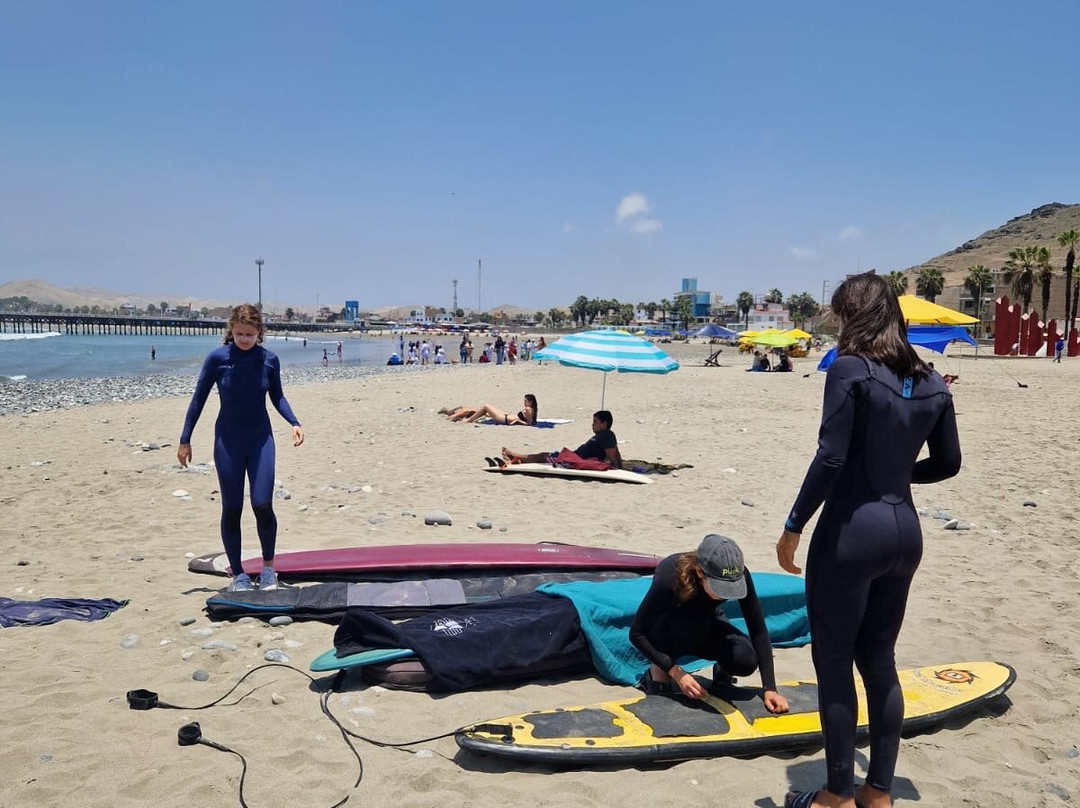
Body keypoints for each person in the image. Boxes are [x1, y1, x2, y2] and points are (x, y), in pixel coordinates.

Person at [775, 272, 961, 808]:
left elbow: (831, 457)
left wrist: (793, 525)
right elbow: (948, 464)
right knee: (879, 658)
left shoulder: (851, 369)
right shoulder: (932, 381)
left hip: (853, 531)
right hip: (906, 532)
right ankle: (877, 792)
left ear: (851, 314)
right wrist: (897, 477)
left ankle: (836, 795)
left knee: (833, 660)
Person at [177, 304, 305, 593]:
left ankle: (269, 570)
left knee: (262, 504)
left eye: (250, 334)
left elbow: (278, 397)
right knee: (232, 508)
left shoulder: (269, 360)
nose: (244, 340)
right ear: (230, 331)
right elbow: (198, 400)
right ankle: (239, 575)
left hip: (261, 441)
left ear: (260, 331)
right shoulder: (217, 358)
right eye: (239, 334)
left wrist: (294, 421)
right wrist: (185, 439)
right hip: (228, 442)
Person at [629, 535, 790, 713]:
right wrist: (676, 672)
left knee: (746, 660)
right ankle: (656, 673)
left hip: (706, 622)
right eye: (720, 588)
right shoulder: (669, 575)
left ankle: (722, 670)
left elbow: (758, 629)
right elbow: (637, 634)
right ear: (700, 573)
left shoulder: (738, 574)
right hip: (670, 630)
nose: (726, 594)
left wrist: (770, 689)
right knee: (682, 635)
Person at [501, 410, 621, 468]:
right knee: (547, 455)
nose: (592, 424)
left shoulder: (607, 435)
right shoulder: (605, 435)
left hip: (573, 461)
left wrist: (618, 469)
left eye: (595, 422)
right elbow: (616, 452)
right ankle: (519, 459)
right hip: (573, 456)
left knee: (544, 456)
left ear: (604, 424)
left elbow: (613, 456)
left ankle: (515, 455)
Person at [448, 394, 538, 425]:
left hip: (505, 420)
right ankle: (464, 414)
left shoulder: (528, 409)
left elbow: (529, 424)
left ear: (530, 402)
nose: (524, 403)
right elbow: (531, 421)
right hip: (506, 416)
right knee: (486, 411)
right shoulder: (532, 409)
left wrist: (517, 421)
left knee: (485, 406)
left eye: (526, 401)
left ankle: (469, 420)